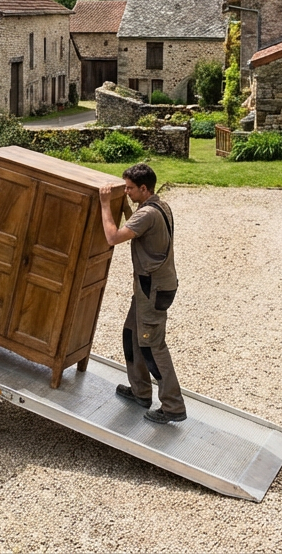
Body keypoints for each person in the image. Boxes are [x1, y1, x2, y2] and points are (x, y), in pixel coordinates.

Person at [98, 162, 187, 423]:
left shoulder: (147, 214)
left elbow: (113, 237)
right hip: (150, 287)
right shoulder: (157, 205)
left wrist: (105, 204)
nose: (126, 192)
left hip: (154, 289)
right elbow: (133, 221)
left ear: (144, 188)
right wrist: (122, 201)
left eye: (129, 189)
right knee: (131, 334)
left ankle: (173, 406)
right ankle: (141, 392)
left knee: (152, 347)